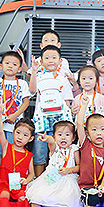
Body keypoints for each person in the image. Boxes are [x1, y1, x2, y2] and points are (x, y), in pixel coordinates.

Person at [26, 121, 82, 207]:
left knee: (64, 199)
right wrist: (46, 138)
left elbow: (79, 167)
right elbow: (50, 141)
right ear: (54, 136)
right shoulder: (54, 147)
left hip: (68, 178)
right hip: (51, 177)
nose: (63, 137)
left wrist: (69, 170)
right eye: (59, 134)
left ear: (73, 138)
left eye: (67, 134)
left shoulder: (74, 149)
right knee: (35, 197)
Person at [29, 45, 74, 176]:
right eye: (47, 58)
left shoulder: (63, 79)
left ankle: (57, 180)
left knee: (60, 152)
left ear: (60, 61)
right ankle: (39, 180)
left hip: (60, 122)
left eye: (54, 57)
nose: (50, 60)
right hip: (42, 121)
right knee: (39, 153)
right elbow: (32, 90)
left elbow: (67, 102)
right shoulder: (38, 76)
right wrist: (34, 71)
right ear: (41, 61)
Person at [0, 104, 35, 207]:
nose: (20, 137)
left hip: (18, 186)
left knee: (23, 198)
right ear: (13, 132)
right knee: (4, 196)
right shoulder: (7, 147)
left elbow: (32, 174)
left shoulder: (29, 155)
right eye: (18, 133)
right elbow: (0, 131)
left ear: (30, 139)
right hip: (4, 183)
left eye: (25, 135)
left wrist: (26, 180)